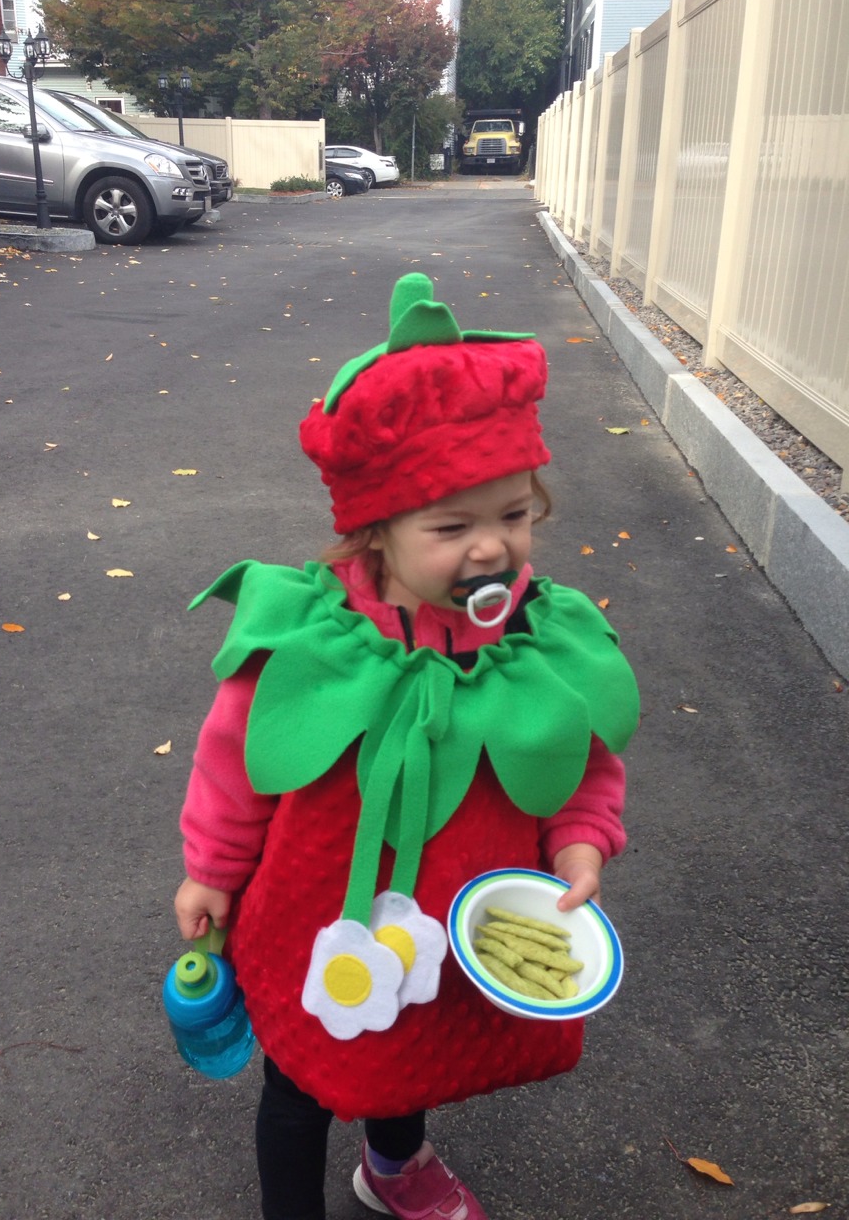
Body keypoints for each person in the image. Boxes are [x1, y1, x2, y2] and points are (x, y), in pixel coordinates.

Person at [173, 272, 640, 1220]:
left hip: (454, 908)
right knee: (303, 1076)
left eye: (514, 515)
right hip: (319, 911)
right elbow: (235, 761)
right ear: (375, 534)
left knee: (408, 1037)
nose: (491, 549)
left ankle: (392, 1165)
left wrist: (580, 844)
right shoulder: (317, 640)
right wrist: (212, 872)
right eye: (452, 526)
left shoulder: (536, 637)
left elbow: (582, 762)